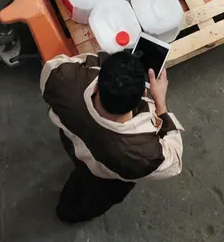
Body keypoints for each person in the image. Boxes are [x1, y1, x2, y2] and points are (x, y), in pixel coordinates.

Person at [40, 50, 183, 223]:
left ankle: (66, 210)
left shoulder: (63, 81)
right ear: (143, 95)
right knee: (92, 201)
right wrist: (160, 103)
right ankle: (71, 215)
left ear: (96, 86)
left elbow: (55, 65)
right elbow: (174, 162)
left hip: (72, 142)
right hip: (106, 178)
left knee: (77, 179)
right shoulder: (143, 154)